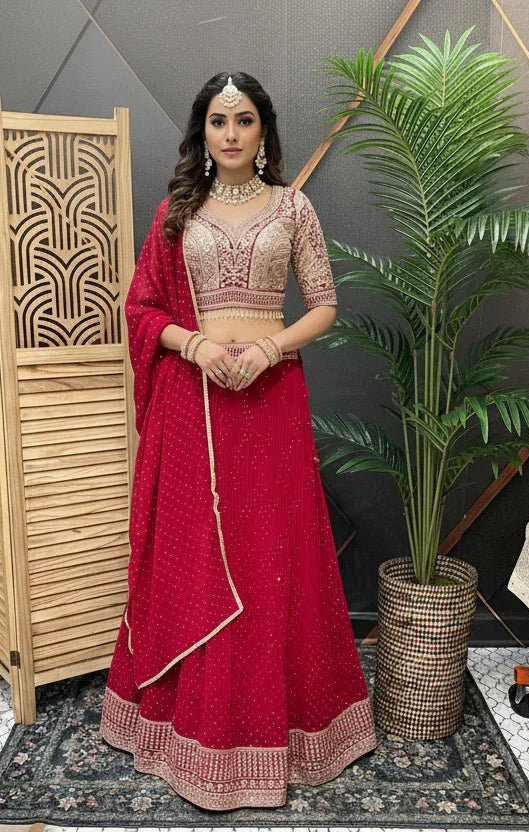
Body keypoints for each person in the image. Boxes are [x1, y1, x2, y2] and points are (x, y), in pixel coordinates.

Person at [99, 71, 377, 811]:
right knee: (196, 554)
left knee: (269, 557)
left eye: (244, 120)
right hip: (194, 407)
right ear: (202, 130)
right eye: (218, 120)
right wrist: (193, 347)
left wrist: (268, 349)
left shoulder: (293, 207)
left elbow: (324, 304)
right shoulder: (176, 211)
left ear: (262, 131)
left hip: (269, 400)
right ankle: (183, 731)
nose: (230, 133)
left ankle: (281, 735)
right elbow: (142, 306)